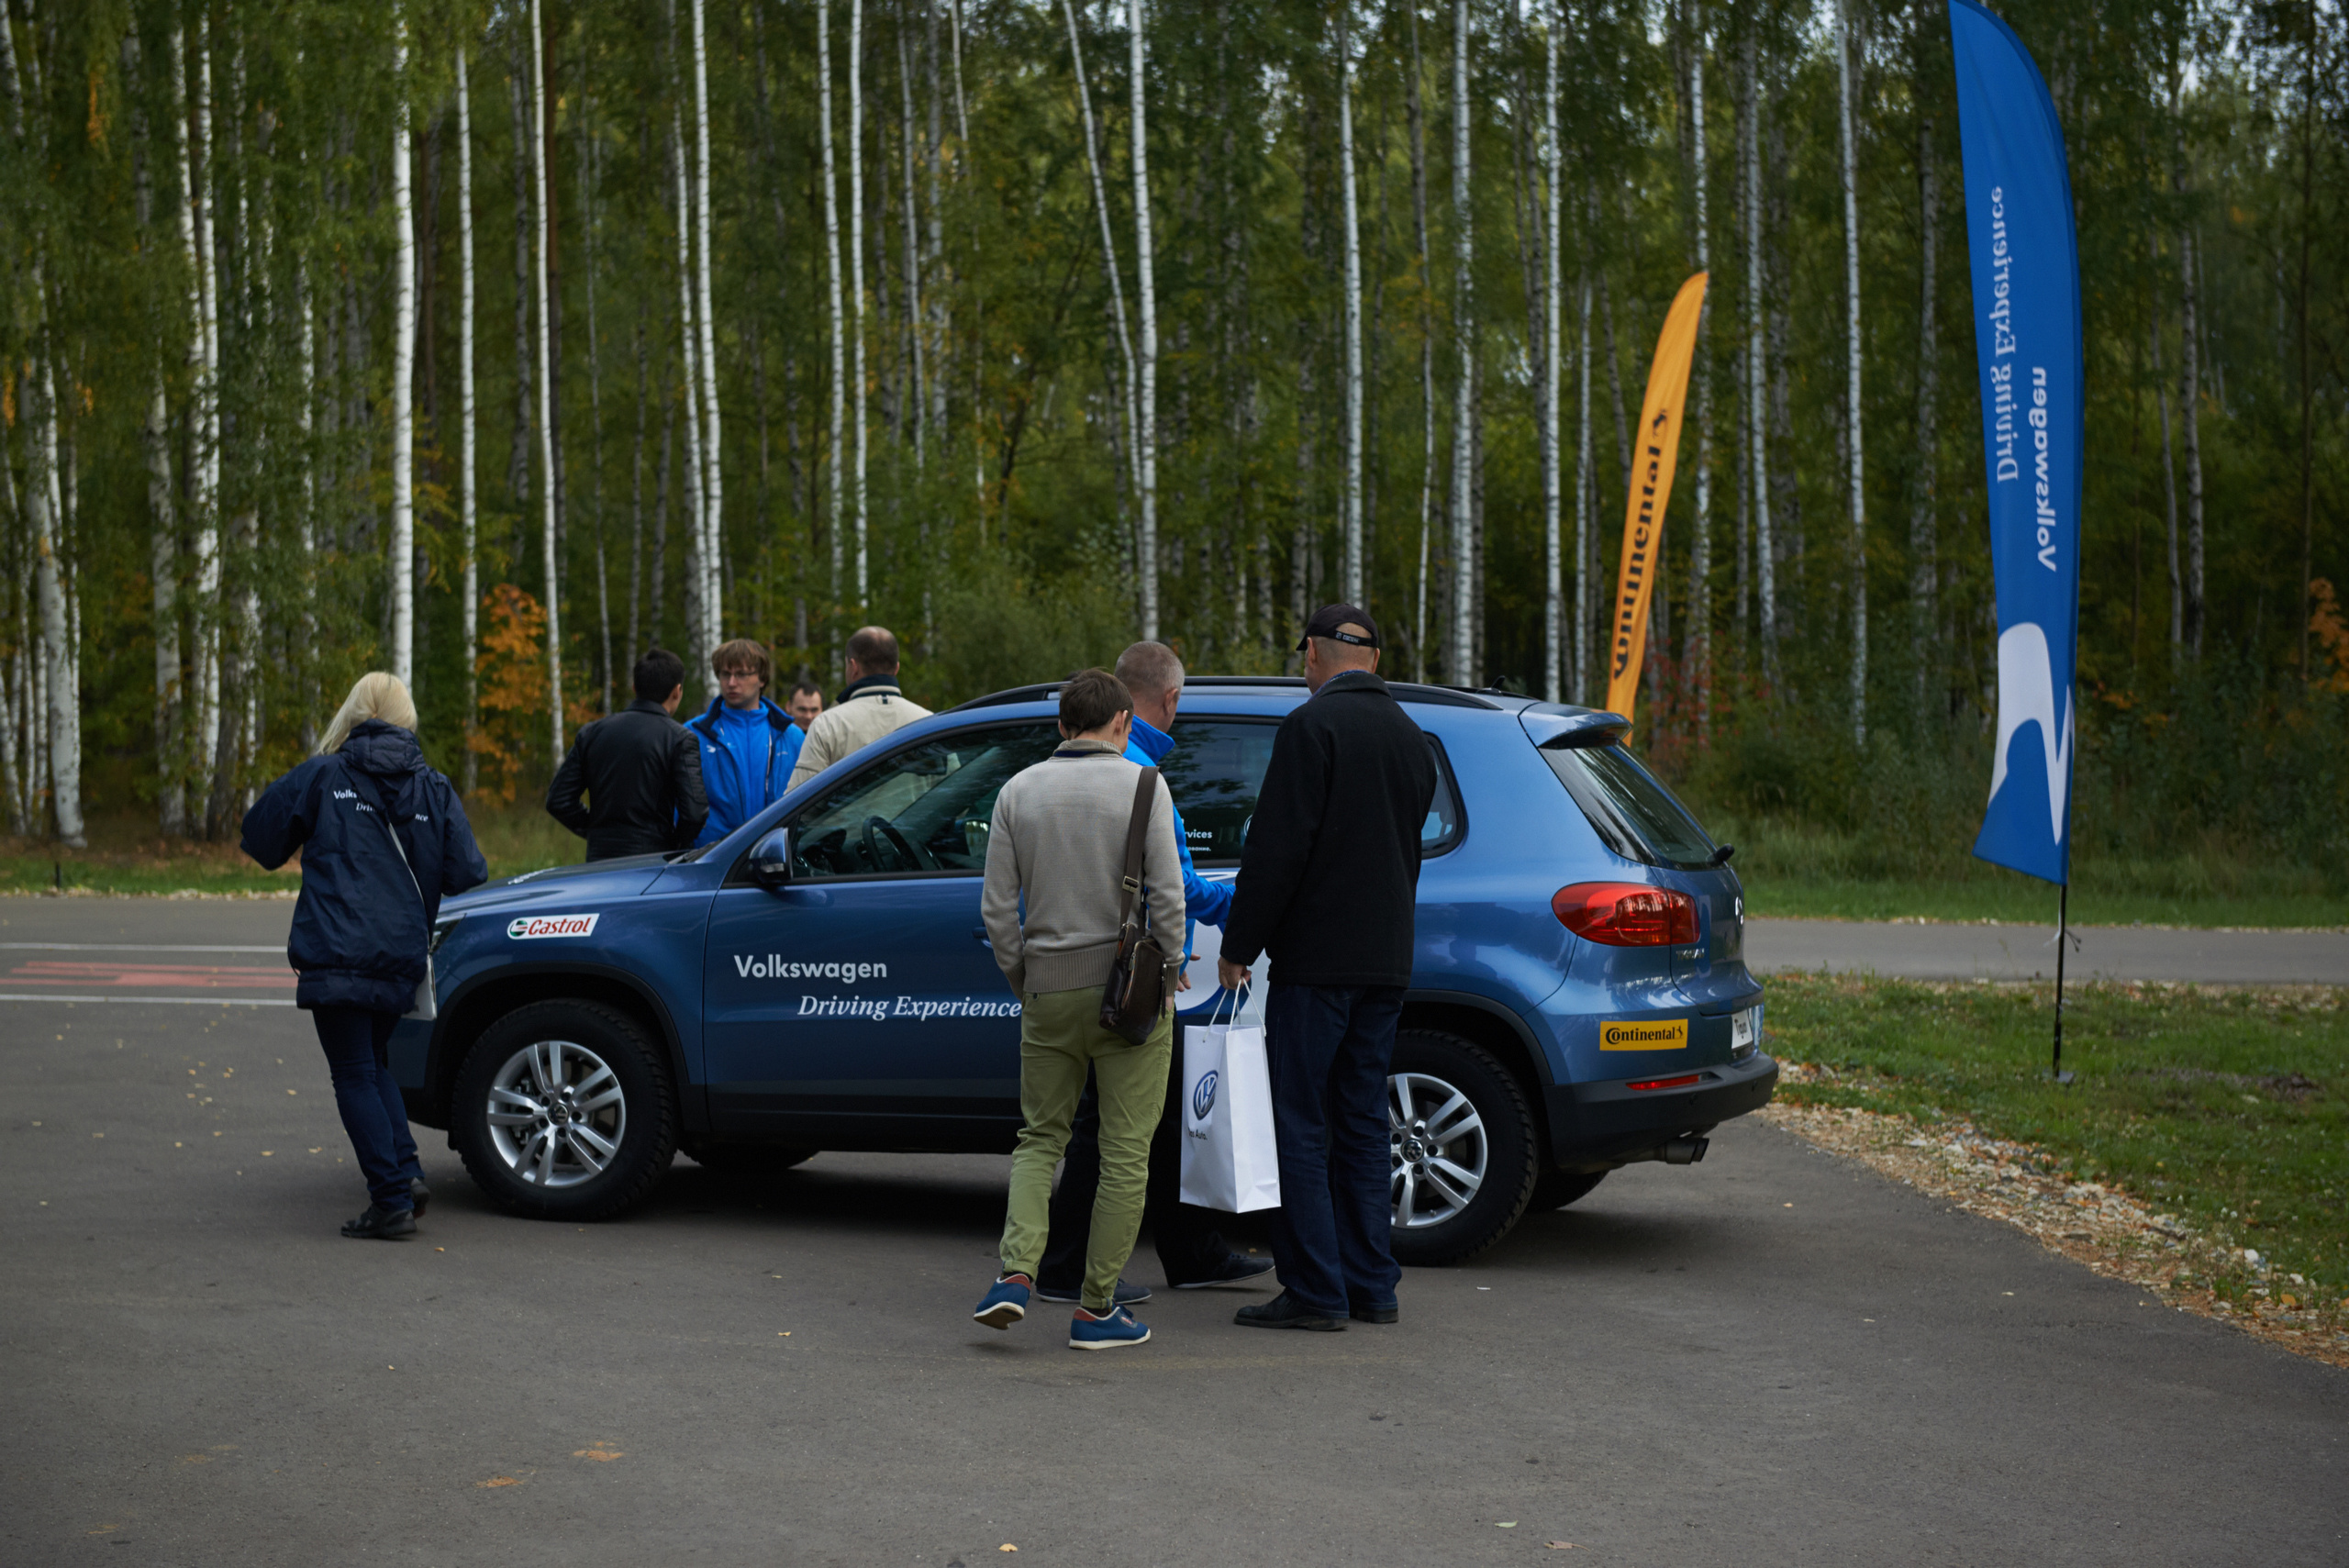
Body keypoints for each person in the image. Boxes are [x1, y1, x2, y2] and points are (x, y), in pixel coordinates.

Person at [1033, 641, 1275, 1304]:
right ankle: (1070, 1267)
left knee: (1151, 1114)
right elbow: (1180, 889)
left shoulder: (1064, 769)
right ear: (1170, 700)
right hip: (1130, 978)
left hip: (1069, 969)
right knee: (1110, 1123)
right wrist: (1255, 905)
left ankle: (1186, 1250)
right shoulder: (1140, 774)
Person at [1218, 605, 1437, 1331]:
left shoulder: (1310, 728)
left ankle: (1315, 1288)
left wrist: (1239, 944)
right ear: (1372, 660)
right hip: (1387, 963)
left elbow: (1277, 852)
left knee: (1301, 1122)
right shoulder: (1413, 738)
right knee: (1362, 1118)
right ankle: (1373, 1282)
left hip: (1317, 965)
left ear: (1314, 653)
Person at [973, 669, 1186, 1351]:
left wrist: (1024, 978)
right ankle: (1097, 1309)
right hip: (1126, 994)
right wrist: (1171, 969)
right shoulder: (1144, 785)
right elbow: (1168, 896)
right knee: (1125, 1152)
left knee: (1040, 1138)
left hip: (1045, 988)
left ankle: (1014, 1273)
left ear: (1063, 725)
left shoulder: (1017, 791)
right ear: (1123, 722)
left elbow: (997, 911)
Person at [239, 673, 489, 1240]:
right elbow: (469, 872)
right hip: (400, 950)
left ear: (353, 712)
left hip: (336, 947)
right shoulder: (435, 787)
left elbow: (260, 836)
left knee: (354, 1071)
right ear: (407, 716)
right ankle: (404, 1174)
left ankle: (391, 1199)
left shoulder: (325, 774)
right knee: (373, 1065)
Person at [546, 649, 709, 860]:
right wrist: (674, 845)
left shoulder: (591, 733)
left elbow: (558, 800)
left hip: (599, 860)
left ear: (634, 688)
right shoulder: (680, 739)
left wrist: (595, 831)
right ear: (677, 691)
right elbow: (695, 813)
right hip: (652, 862)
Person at [685, 639, 805, 847]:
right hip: (710, 858)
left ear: (761, 679)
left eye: (741, 674)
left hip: (778, 854)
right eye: (725, 674)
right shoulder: (694, 733)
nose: (731, 682)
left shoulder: (791, 736)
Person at [785, 626, 931, 789]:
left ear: (853, 667)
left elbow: (802, 798)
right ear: (896, 669)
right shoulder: (930, 722)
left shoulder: (827, 725)